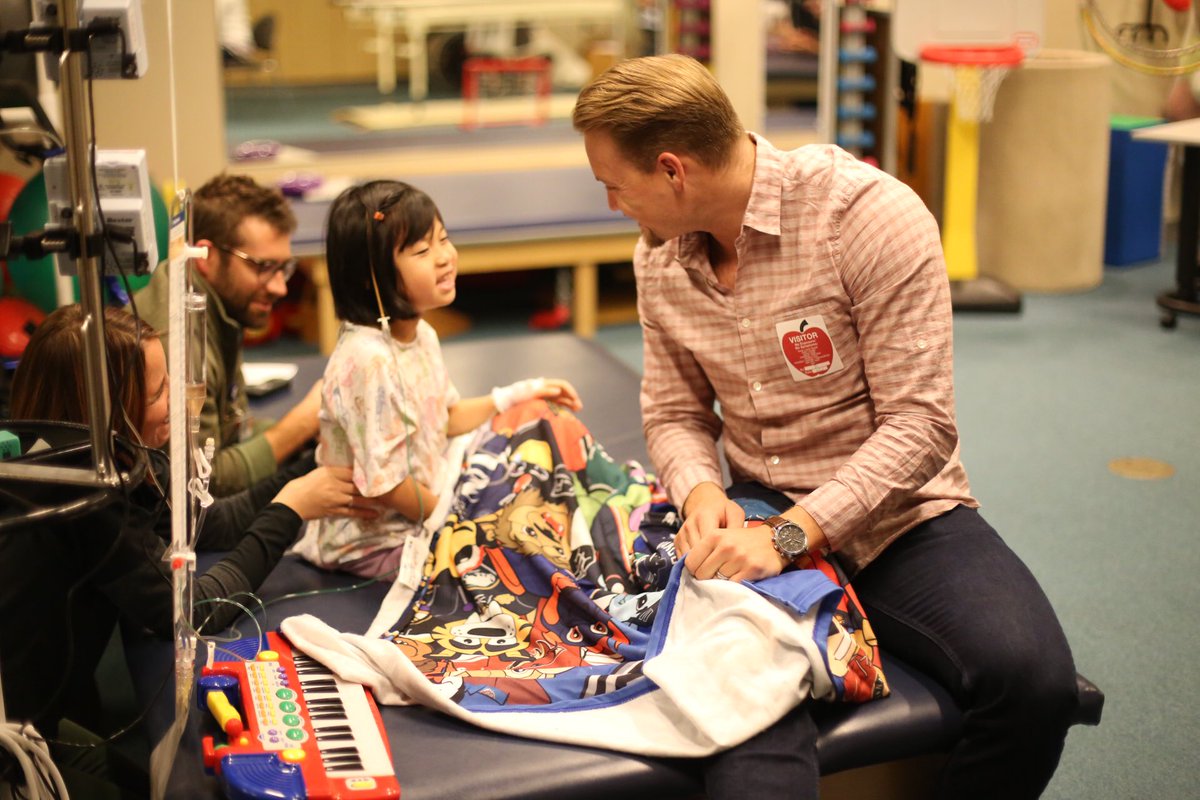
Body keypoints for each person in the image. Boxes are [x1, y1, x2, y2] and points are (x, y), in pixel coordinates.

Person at [572, 54, 1079, 799]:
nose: (614, 204)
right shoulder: (660, 261)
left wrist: (791, 536)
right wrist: (700, 492)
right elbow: (676, 411)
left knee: (1035, 686)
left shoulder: (867, 216)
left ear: (674, 171)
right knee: (748, 729)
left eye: (615, 186)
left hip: (901, 518)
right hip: (754, 510)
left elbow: (922, 426)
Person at [0, 305, 375, 799]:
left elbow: (207, 521)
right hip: (15, 743)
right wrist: (289, 510)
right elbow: (193, 611)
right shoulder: (88, 500)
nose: (176, 400)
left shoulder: (101, 456)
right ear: (107, 411)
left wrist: (305, 473)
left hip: (40, 717)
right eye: (158, 392)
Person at [305, 180, 581, 577]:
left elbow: (445, 417)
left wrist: (522, 393)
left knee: (542, 429)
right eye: (421, 250)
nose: (444, 257)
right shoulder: (369, 360)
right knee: (515, 562)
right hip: (376, 542)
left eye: (443, 240)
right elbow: (385, 484)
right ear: (370, 276)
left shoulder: (421, 333)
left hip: (429, 498)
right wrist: (457, 522)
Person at [133, 173, 320, 497]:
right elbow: (201, 481)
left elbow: (231, 431)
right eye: (263, 266)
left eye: (284, 268)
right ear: (206, 256)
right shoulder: (176, 338)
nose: (281, 287)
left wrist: (308, 430)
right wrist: (302, 424)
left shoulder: (216, 302)